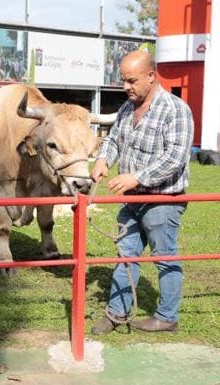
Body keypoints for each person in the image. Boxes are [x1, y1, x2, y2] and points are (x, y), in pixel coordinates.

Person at [90, 50, 194, 335]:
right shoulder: (126, 108)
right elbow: (113, 139)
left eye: (132, 80)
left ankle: (167, 317)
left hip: (163, 201)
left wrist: (135, 177)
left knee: (165, 257)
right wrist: (103, 159)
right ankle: (116, 313)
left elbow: (175, 158)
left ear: (151, 76)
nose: (126, 87)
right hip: (133, 200)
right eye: (123, 80)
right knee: (126, 255)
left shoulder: (176, 110)